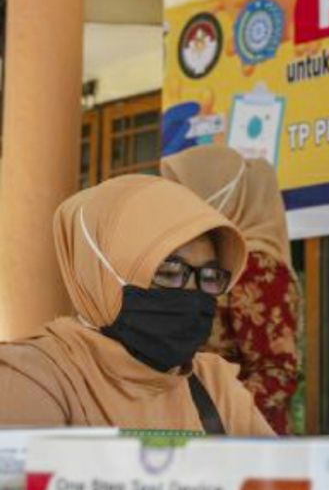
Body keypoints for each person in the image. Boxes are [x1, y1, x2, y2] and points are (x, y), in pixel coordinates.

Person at [0, 175, 273, 435]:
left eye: (211, 276)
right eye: (168, 272)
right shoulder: (34, 375)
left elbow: (273, 478)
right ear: (101, 274)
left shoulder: (213, 383)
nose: (193, 292)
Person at [161, 144, 300, 434]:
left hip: (237, 444)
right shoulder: (201, 262)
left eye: (189, 195)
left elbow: (275, 373)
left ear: (226, 198)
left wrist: (210, 416)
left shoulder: (259, 270)